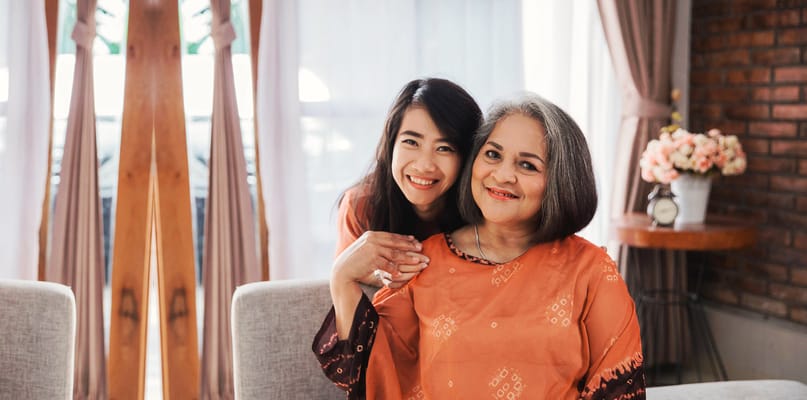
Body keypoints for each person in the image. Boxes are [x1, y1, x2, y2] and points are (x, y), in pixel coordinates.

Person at [314, 94, 645, 399]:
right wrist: (342, 278)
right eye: (493, 155)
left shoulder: (591, 270)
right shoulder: (424, 262)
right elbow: (367, 371)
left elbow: (618, 389)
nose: (502, 175)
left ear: (561, 181)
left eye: (527, 165)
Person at [334, 78, 482, 288]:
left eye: (444, 148)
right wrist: (376, 277)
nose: (424, 165)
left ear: (467, 157)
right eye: (411, 142)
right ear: (391, 144)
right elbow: (345, 283)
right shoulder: (362, 205)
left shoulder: (483, 208)